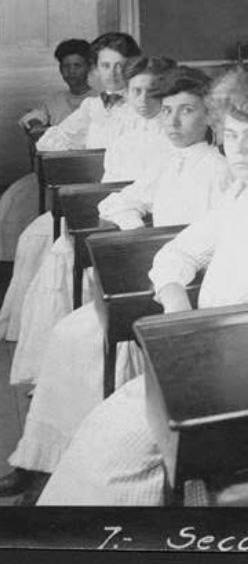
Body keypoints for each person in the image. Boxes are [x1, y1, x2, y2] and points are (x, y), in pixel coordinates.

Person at [37, 70, 248, 506]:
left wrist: (198, 347)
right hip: (203, 359)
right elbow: (175, 254)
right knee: (103, 431)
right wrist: (177, 304)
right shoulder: (245, 194)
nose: (238, 149)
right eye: (231, 134)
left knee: (108, 447)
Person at [0, 67, 237, 502]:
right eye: (167, 110)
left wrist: (163, 262)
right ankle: (45, 461)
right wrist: (138, 234)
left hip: (186, 296)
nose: (173, 121)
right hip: (157, 276)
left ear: (211, 116)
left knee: (83, 342)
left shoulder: (219, 171)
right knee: (69, 333)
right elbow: (116, 201)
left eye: (187, 111)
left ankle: (55, 468)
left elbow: (215, 250)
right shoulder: (172, 161)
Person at [9, 56, 176, 386]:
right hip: (124, 220)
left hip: (159, 228)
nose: (144, 101)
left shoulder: (172, 136)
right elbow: (114, 191)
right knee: (63, 256)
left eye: (154, 92)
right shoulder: (125, 139)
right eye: (136, 91)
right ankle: (61, 371)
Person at [0, 33, 142, 342]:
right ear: (96, 68)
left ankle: (82, 331)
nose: (113, 74)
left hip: (129, 199)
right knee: (33, 238)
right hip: (91, 197)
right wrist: (79, 154)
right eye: (105, 66)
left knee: (60, 250)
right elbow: (50, 142)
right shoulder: (92, 106)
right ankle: (48, 335)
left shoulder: (141, 105)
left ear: (133, 66)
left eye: (121, 65)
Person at [1, 39, 98, 265]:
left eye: (77, 65)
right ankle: (32, 262)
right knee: (14, 200)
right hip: (54, 173)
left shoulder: (98, 99)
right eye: (66, 66)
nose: (71, 72)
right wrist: (37, 124)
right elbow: (33, 117)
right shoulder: (54, 100)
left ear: (89, 67)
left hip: (89, 174)